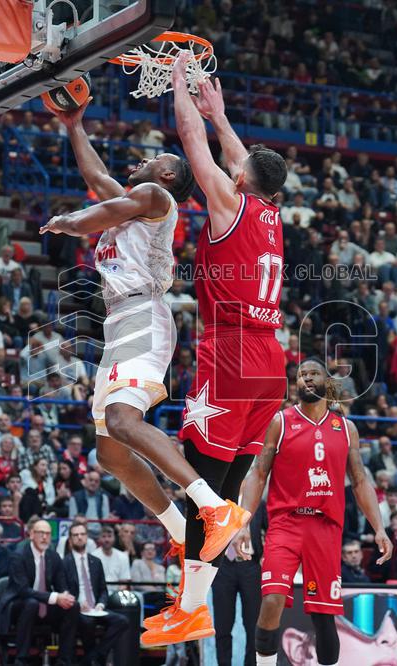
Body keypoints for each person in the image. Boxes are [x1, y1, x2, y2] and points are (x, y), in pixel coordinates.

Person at [41, 94, 246, 586]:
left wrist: (67, 222)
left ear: (169, 176)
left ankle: (214, 508)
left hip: (142, 317)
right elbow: (97, 183)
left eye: (152, 158)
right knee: (109, 453)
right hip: (119, 322)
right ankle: (179, 528)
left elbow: (89, 213)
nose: (140, 161)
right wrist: (74, 125)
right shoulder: (132, 207)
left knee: (121, 419)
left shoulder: (158, 200)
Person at [148, 58, 290, 647]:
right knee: (223, 499)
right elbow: (238, 158)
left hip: (230, 353)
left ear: (241, 179)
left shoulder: (229, 206)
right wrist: (222, 115)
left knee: (199, 487)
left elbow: (193, 145)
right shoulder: (272, 213)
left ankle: (191, 605)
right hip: (269, 362)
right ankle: (192, 608)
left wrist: (178, 82)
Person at [233, 358, 392, 666]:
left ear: (326, 381)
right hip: (285, 523)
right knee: (272, 599)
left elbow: (360, 481)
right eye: (301, 375)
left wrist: (380, 527)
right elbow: (257, 474)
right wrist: (243, 521)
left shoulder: (346, 428)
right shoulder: (280, 421)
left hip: (325, 527)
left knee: (324, 614)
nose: (305, 378)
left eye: (312, 373)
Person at [0, 518, 79, 666]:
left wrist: (65, 596)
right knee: (31, 603)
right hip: (17, 604)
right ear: (31, 534)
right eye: (41, 533)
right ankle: (21, 659)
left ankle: (64, 660)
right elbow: (23, 590)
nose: (45, 537)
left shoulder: (53, 556)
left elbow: (61, 584)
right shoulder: (18, 555)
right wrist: (54, 597)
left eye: (48, 533)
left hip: (45, 605)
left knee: (73, 606)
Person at [62, 522, 130, 664]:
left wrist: (100, 604)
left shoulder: (96, 561)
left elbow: (103, 590)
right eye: (75, 535)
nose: (79, 538)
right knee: (88, 622)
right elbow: (63, 589)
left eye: (82, 534)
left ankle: (93, 657)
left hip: (96, 608)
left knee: (122, 621)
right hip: (77, 609)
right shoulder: (64, 563)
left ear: (87, 537)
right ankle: (94, 660)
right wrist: (78, 604)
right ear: (70, 539)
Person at [212, 501, 267, 666]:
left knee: (252, 625)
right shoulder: (216, 501)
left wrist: (267, 555)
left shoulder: (257, 503)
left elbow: (272, 528)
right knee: (222, 625)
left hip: (251, 566)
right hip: (222, 566)